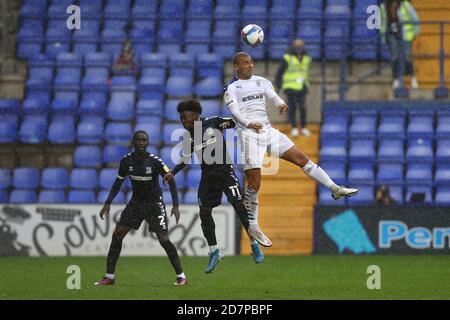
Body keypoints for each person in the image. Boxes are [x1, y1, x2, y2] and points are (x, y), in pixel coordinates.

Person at [223, 52, 358, 246]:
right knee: (254, 183)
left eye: (252, 62)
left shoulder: (262, 82)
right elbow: (234, 112)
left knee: (301, 158)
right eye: (246, 63)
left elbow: (274, 96)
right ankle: (253, 225)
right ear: (237, 67)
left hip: (267, 131)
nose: (250, 65)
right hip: (248, 135)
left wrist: (281, 104)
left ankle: (335, 188)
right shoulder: (231, 89)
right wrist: (247, 123)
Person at [163, 100, 265, 273]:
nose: (184, 122)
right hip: (208, 177)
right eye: (181, 120)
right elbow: (186, 158)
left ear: (195, 115)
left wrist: (230, 123)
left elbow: (237, 121)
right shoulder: (188, 137)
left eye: (186, 119)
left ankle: (253, 243)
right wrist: (173, 172)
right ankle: (214, 251)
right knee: (204, 212)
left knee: (239, 205)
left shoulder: (213, 121)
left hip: (225, 172)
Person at [95, 131, 188, 286]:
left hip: (154, 204)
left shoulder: (155, 161)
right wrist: (107, 202)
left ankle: (181, 276)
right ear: (133, 142)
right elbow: (118, 182)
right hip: (136, 203)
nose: (141, 143)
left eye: (144, 140)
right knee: (117, 235)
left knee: (163, 239)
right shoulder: (126, 161)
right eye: (138, 140)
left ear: (147, 143)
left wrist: (175, 206)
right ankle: (109, 277)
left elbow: (170, 180)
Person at [275, 39, 312, 137]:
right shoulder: (287, 57)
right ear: (293, 47)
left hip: (302, 86)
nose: (299, 48)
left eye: (301, 46)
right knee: (292, 107)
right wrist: (278, 86)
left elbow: (305, 72)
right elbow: (280, 72)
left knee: (303, 107)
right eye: (297, 46)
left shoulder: (307, 58)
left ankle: (303, 127)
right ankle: (294, 127)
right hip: (290, 86)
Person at [380, 0, 420, 89]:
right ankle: (396, 79)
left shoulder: (405, 4)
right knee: (394, 56)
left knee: (407, 56)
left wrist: (415, 33)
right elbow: (383, 22)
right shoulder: (384, 5)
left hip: (405, 35)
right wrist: (383, 35)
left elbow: (415, 19)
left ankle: (413, 78)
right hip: (391, 34)